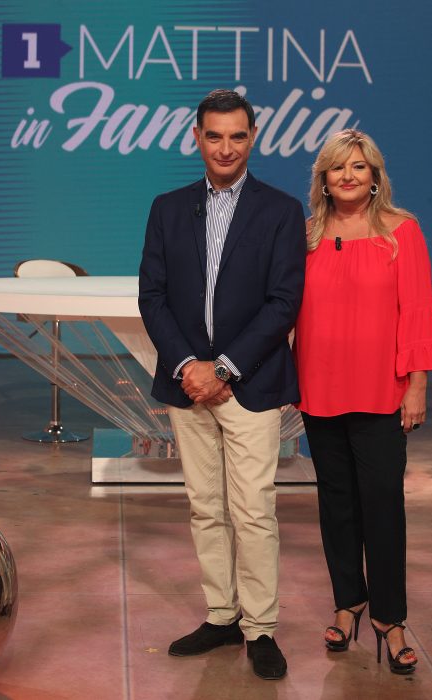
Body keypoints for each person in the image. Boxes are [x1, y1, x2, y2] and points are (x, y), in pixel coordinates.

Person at [138, 89, 306, 680]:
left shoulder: (281, 211)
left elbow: (284, 302)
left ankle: (260, 627)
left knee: (253, 510)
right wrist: (190, 366)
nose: (226, 147)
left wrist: (225, 369)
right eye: (215, 136)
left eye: (237, 136)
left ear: (253, 137)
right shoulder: (167, 208)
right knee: (205, 507)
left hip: (249, 385)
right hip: (188, 384)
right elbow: (152, 296)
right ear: (197, 138)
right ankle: (222, 615)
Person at [293, 129, 432, 675]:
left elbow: (417, 311)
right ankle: (348, 603)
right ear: (324, 179)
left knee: (382, 505)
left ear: (375, 176)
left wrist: (417, 384)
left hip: (383, 390)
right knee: (335, 503)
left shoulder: (402, 232)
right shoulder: (306, 235)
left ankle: (389, 617)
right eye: (338, 167)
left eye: (359, 166)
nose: (348, 176)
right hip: (319, 388)